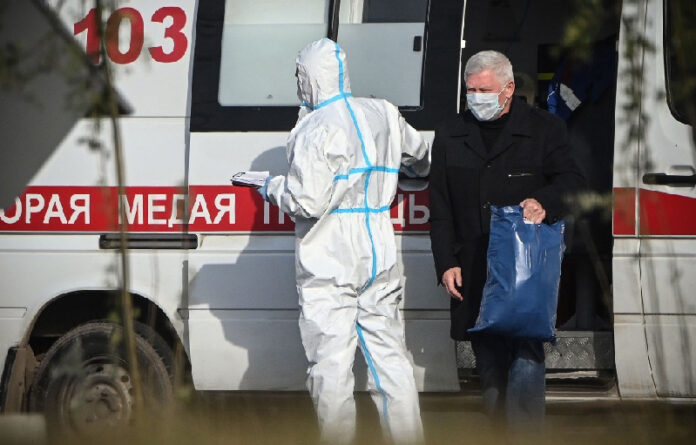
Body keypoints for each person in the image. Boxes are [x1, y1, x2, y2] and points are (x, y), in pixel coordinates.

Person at [257, 38, 429, 444]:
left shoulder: (315, 127)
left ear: (311, 78)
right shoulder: (384, 112)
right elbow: (421, 158)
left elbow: (306, 200)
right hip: (379, 251)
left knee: (330, 368)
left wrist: (269, 186)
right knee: (391, 362)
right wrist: (396, 178)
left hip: (329, 256)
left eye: (299, 75)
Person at [428, 50, 584, 428]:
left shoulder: (545, 129)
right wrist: (446, 262)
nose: (476, 97)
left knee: (526, 352)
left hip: (524, 268)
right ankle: (497, 432)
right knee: (488, 360)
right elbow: (441, 206)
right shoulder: (451, 133)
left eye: (484, 89)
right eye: (471, 90)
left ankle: (526, 435)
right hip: (473, 264)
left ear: (509, 88)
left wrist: (544, 202)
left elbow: (572, 183)